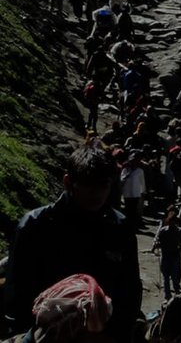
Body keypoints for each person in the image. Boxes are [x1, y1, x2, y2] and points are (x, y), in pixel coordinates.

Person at [4, 146, 142, 341]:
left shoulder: (120, 229)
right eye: (88, 184)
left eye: (103, 185)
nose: (97, 193)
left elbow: (130, 293)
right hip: (42, 335)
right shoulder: (36, 226)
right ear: (69, 182)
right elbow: (16, 294)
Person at [152, 211, 181, 299]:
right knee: (166, 276)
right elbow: (158, 240)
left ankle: (176, 290)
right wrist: (157, 244)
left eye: (172, 221)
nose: (171, 223)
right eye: (170, 221)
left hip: (174, 256)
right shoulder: (163, 230)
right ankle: (167, 294)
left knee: (174, 276)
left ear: (175, 221)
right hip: (165, 255)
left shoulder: (180, 231)